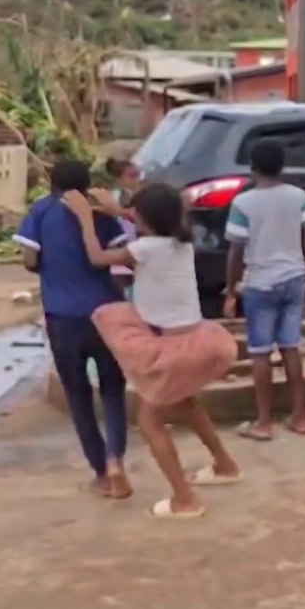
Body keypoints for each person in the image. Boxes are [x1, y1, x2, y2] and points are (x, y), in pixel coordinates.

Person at [63, 183, 242, 520]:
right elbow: (152, 225)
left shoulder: (143, 248)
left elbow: (97, 258)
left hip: (173, 349)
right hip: (199, 338)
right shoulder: (181, 243)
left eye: (136, 215)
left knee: (149, 421)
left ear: (145, 220)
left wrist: (86, 218)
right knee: (186, 403)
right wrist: (118, 212)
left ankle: (185, 499)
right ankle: (225, 465)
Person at [13, 159, 133, 499]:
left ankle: (100, 473)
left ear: (52, 183)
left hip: (62, 317)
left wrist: (52, 268)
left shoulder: (41, 211)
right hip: (105, 311)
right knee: (113, 390)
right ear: (87, 182)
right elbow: (119, 255)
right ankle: (116, 461)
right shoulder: (100, 211)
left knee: (78, 396)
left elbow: (29, 259)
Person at [223, 140, 305, 441]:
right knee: (291, 346)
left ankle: (264, 421)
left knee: (260, 352)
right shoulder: (297, 196)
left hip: (260, 282)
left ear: (253, 167)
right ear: (282, 165)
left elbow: (235, 252)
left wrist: (230, 289)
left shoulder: (243, 203)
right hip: (294, 278)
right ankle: (299, 416)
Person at [101, 158, 143, 295]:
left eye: (138, 174)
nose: (137, 179)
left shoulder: (147, 195)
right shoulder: (111, 199)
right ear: (119, 180)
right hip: (121, 256)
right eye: (132, 176)